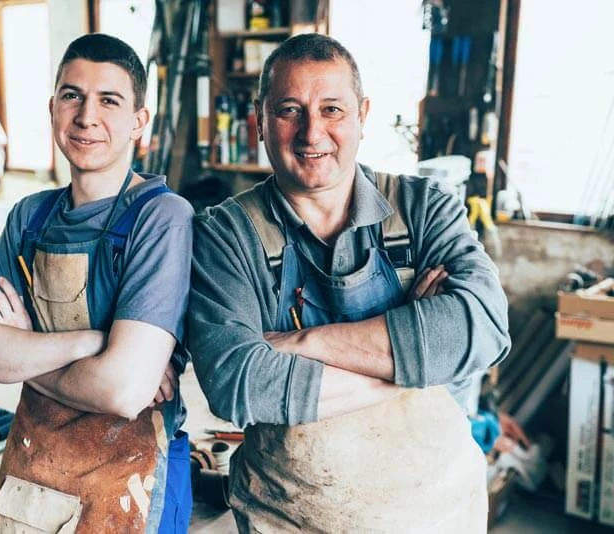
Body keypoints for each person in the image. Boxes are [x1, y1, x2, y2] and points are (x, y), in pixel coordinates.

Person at [187, 33, 511, 532]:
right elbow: (238, 383)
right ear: (260, 120)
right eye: (290, 110)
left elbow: (483, 328)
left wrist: (301, 341)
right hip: (288, 514)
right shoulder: (227, 234)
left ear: (362, 114)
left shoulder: (424, 209)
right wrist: (415, 358)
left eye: (332, 110)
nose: (312, 133)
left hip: (433, 510)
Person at [0, 34, 194, 533]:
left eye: (109, 100)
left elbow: (125, 391)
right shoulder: (30, 217)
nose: (87, 116)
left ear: (138, 122)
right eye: (72, 95)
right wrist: (95, 343)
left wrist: (22, 354)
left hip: (131, 480)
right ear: (53, 107)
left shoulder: (163, 218)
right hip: (32, 469)